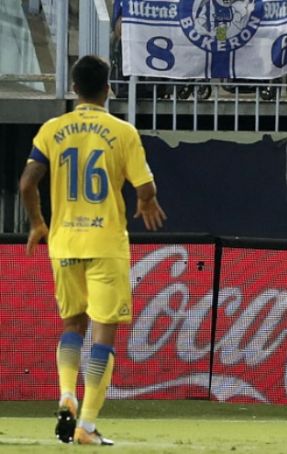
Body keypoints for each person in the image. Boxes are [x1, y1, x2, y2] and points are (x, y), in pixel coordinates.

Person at [19, 55, 167, 445]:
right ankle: (85, 423)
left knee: (72, 326)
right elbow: (145, 187)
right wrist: (146, 201)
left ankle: (66, 392)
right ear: (108, 88)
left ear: (73, 87)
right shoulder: (122, 131)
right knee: (103, 335)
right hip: (105, 242)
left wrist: (38, 223)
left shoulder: (52, 129)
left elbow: (27, 184)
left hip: (64, 242)